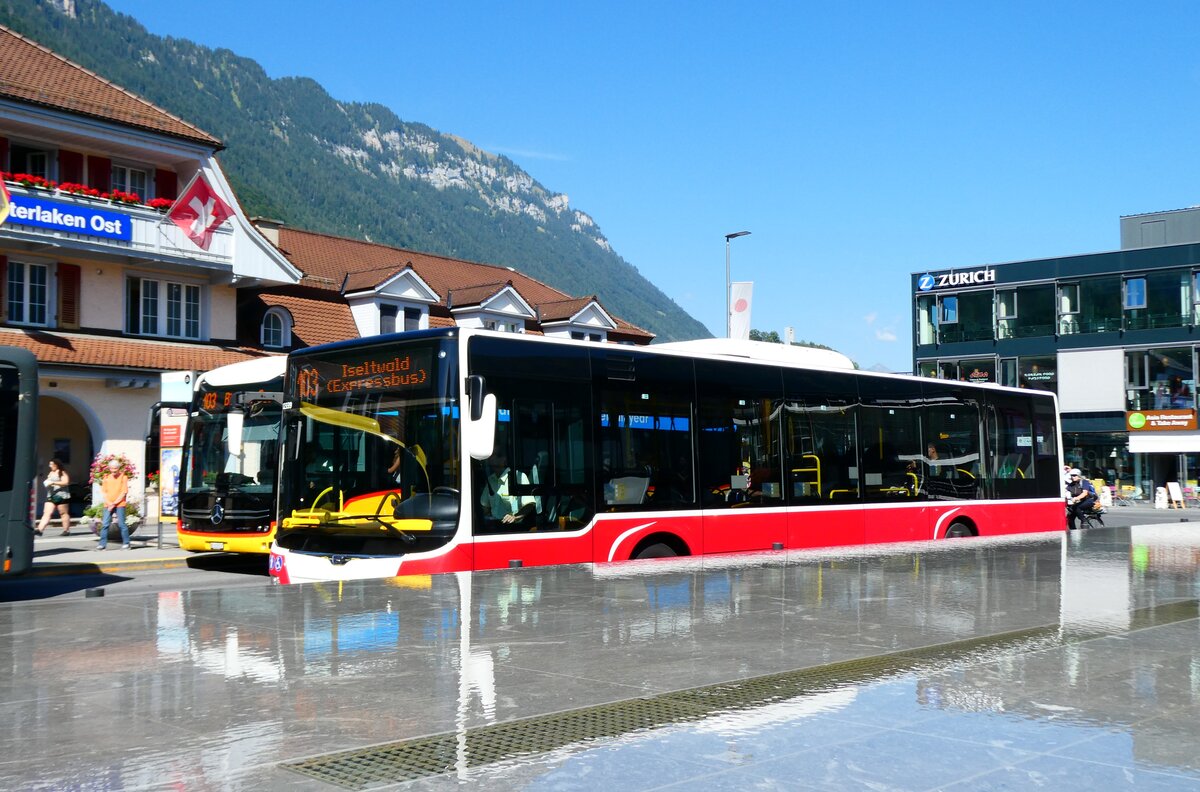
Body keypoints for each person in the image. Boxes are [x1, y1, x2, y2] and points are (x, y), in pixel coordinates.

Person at [479, 450, 535, 530]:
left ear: (504, 460)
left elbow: (529, 504)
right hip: (494, 527)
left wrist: (514, 517)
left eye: (495, 456)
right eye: (490, 457)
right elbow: (485, 506)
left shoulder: (519, 477)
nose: (491, 459)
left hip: (514, 528)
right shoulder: (491, 480)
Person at [98, 458, 131, 550]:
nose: (113, 471)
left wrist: (114, 503)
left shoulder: (123, 477)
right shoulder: (106, 477)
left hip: (120, 504)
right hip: (108, 504)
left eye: (115, 469)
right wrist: (109, 503)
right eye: (112, 469)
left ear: (118, 468)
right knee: (105, 524)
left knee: (121, 524)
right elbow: (104, 493)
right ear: (109, 468)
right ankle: (102, 544)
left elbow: (124, 492)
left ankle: (126, 543)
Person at [35, 459, 71, 537]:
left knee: (63, 513)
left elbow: (66, 482)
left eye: (51, 464)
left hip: (62, 495)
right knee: (47, 513)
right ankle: (39, 529)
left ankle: (66, 530)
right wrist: (47, 482)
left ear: (56, 465)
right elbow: (49, 481)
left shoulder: (62, 472)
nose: (50, 466)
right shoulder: (51, 473)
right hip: (51, 495)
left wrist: (54, 483)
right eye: (50, 464)